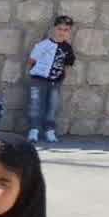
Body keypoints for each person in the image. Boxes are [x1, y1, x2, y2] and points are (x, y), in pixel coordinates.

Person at [26, 13, 76, 142]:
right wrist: (35, 72)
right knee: (35, 104)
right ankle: (34, 130)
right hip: (38, 79)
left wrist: (59, 75)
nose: (62, 32)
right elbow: (32, 60)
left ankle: (50, 130)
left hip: (55, 82)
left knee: (52, 106)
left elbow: (68, 63)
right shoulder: (43, 45)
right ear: (54, 28)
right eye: (60, 29)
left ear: (69, 31)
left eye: (66, 30)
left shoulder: (67, 48)